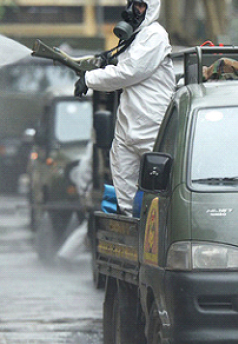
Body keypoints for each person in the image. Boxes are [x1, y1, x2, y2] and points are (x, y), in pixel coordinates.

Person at [74, 0, 175, 216]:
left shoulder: (155, 35)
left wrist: (89, 79)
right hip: (129, 123)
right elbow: (123, 65)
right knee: (121, 176)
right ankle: (133, 226)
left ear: (151, 7)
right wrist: (103, 62)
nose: (132, 10)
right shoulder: (136, 37)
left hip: (152, 124)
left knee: (159, 187)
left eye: (139, 5)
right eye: (131, 3)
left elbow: (129, 72)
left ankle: (154, 229)